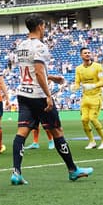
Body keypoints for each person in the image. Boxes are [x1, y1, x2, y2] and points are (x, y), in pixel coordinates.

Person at [9, 16, 93, 186]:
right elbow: (38, 72)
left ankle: (16, 172)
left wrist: (52, 77)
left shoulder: (21, 46)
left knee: (21, 133)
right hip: (38, 95)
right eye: (44, 26)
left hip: (23, 93)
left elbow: (31, 71)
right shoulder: (40, 47)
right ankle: (72, 170)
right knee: (57, 131)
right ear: (40, 26)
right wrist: (48, 95)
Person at [71, 47, 103, 149]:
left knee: (93, 118)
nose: (87, 54)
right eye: (85, 53)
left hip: (96, 96)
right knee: (84, 120)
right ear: (81, 55)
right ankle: (92, 141)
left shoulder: (98, 66)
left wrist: (92, 85)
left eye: (89, 52)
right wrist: (74, 87)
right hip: (85, 97)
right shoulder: (78, 69)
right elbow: (77, 83)